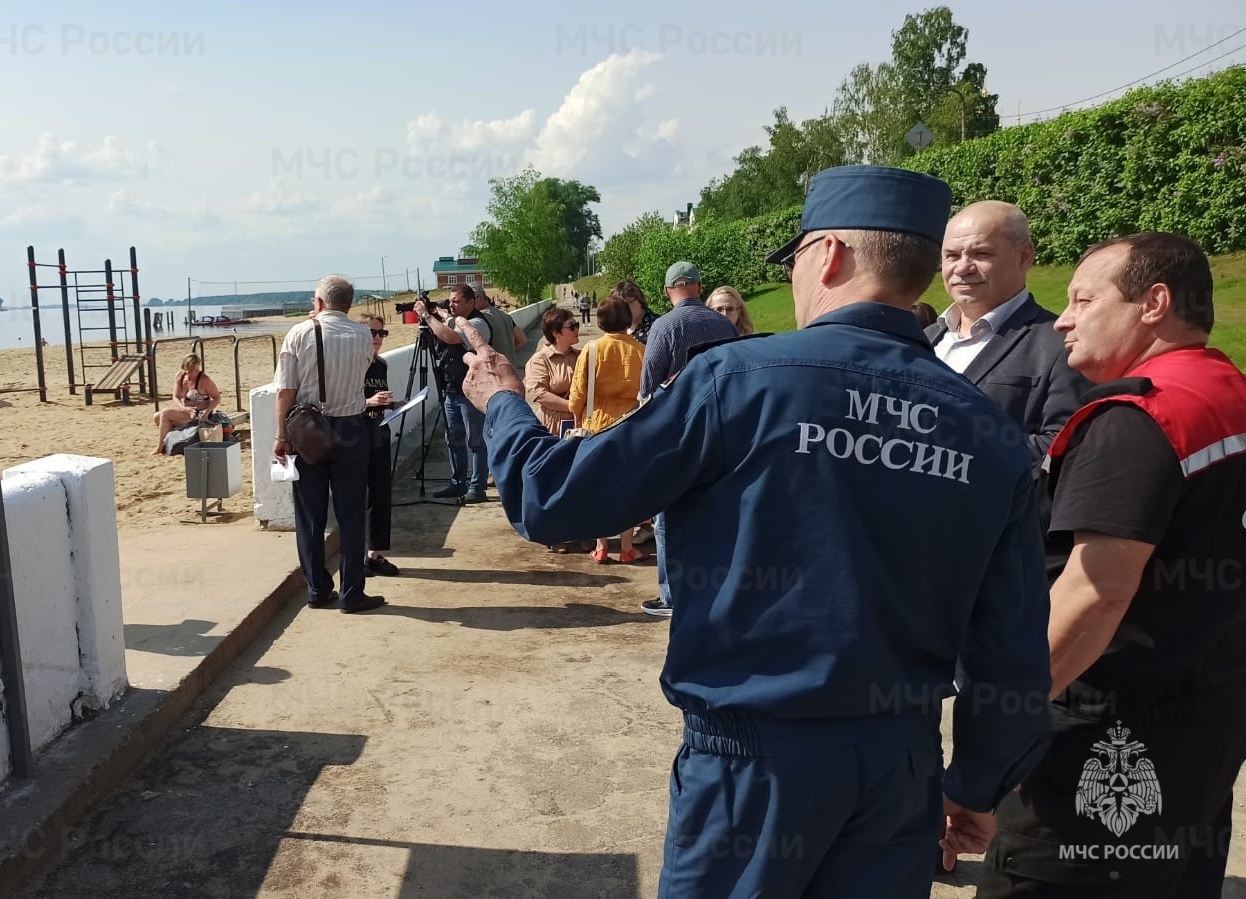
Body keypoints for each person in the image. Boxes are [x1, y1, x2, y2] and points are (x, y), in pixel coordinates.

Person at [459, 165, 1052, 898]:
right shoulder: (987, 431)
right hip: (898, 769)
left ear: (828, 254)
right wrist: (978, 782)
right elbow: (1015, 648)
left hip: (753, 764)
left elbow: (553, 497)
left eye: (796, 256)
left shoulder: (737, 380)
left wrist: (505, 403)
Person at [976, 233, 1246, 899]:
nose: (1063, 317)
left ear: (1153, 303)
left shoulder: (1139, 420)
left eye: (1083, 299)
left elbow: (1092, 595)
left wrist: (992, 747)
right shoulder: (1227, 392)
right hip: (1204, 727)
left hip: (1102, 745)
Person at [928, 201, 1089, 469]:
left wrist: (950, 447)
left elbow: (1065, 448)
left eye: (981, 254)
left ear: (1025, 256)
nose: (962, 268)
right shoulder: (923, 339)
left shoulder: (1062, 345)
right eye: (952, 256)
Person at [274, 275, 385, 614]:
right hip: (352, 428)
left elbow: (285, 391)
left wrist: (281, 435)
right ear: (349, 304)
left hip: (310, 430)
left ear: (319, 303)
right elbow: (362, 370)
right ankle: (352, 592)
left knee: (311, 514)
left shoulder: (299, 333)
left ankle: (318, 588)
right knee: (351, 514)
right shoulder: (363, 335)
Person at [638, 262, 741, 617]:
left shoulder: (664, 326)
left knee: (667, 518)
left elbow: (648, 388)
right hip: (723, 432)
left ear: (668, 292)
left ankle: (671, 595)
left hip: (677, 435)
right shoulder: (725, 325)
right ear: (699, 287)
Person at [569, 295, 647, 565]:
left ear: (599, 321)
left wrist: (577, 414)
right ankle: (627, 548)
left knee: (598, 488)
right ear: (627, 319)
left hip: (597, 425)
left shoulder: (591, 350)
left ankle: (602, 547)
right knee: (626, 490)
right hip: (631, 426)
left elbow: (578, 394)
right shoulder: (641, 350)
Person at [415, 284, 492, 503]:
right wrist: (432, 320)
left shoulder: (477, 323)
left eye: (457, 301)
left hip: (472, 393)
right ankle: (457, 483)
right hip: (450, 390)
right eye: (450, 300)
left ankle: (477, 488)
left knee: (476, 441)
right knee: (454, 439)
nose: (451, 304)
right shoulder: (451, 320)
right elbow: (441, 340)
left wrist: (427, 316)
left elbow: (450, 337)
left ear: (471, 302)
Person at [360, 315, 400, 577]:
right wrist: (370, 403)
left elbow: (379, 400)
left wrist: (393, 404)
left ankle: (375, 553)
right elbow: (341, 404)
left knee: (381, 494)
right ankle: (357, 556)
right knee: (355, 496)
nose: (377, 337)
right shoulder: (351, 366)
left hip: (379, 431)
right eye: (372, 332)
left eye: (382, 332)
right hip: (356, 434)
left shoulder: (381, 365)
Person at [153, 353, 233, 454]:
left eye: (196, 369)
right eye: (190, 370)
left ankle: (160, 447)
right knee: (156, 417)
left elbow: (217, 397)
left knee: (165, 414)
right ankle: (173, 437)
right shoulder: (180, 377)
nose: (194, 372)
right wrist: (183, 408)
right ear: (184, 368)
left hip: (198, 413)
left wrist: (207, 411)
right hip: (186, 410)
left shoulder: (204, 380)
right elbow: (175, 397)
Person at [524, 306, 581, 435]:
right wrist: (573, 406)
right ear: (556, 333)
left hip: (580, 423)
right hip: (552, 427)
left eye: (577, 325)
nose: (577, 329)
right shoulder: (540, 360)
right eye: (571, 326)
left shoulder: (582, 356)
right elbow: (539, 394)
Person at [476, 287, 527, 360]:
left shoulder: (481, 319)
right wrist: (508, 353)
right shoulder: (505, 315)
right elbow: (522, 340)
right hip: (510, 366)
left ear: (480, 299)